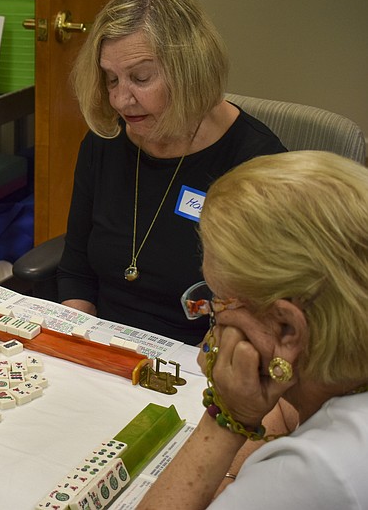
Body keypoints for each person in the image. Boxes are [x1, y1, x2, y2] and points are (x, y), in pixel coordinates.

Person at [56, 0, 285, 344]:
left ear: (189, 71)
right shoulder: (105, 143)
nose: (120, 100)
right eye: (111, 79)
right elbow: (76, 271)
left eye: (140, 78)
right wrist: (77, 346)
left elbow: (261, 314)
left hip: (199, 360)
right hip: (102, 346)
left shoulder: (256, 165)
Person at [139, 150, 368, 509]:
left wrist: (228, 414)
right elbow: (296, 409)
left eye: (219, 303)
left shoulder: (317, 469)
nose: (211, 327)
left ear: (287, 328)